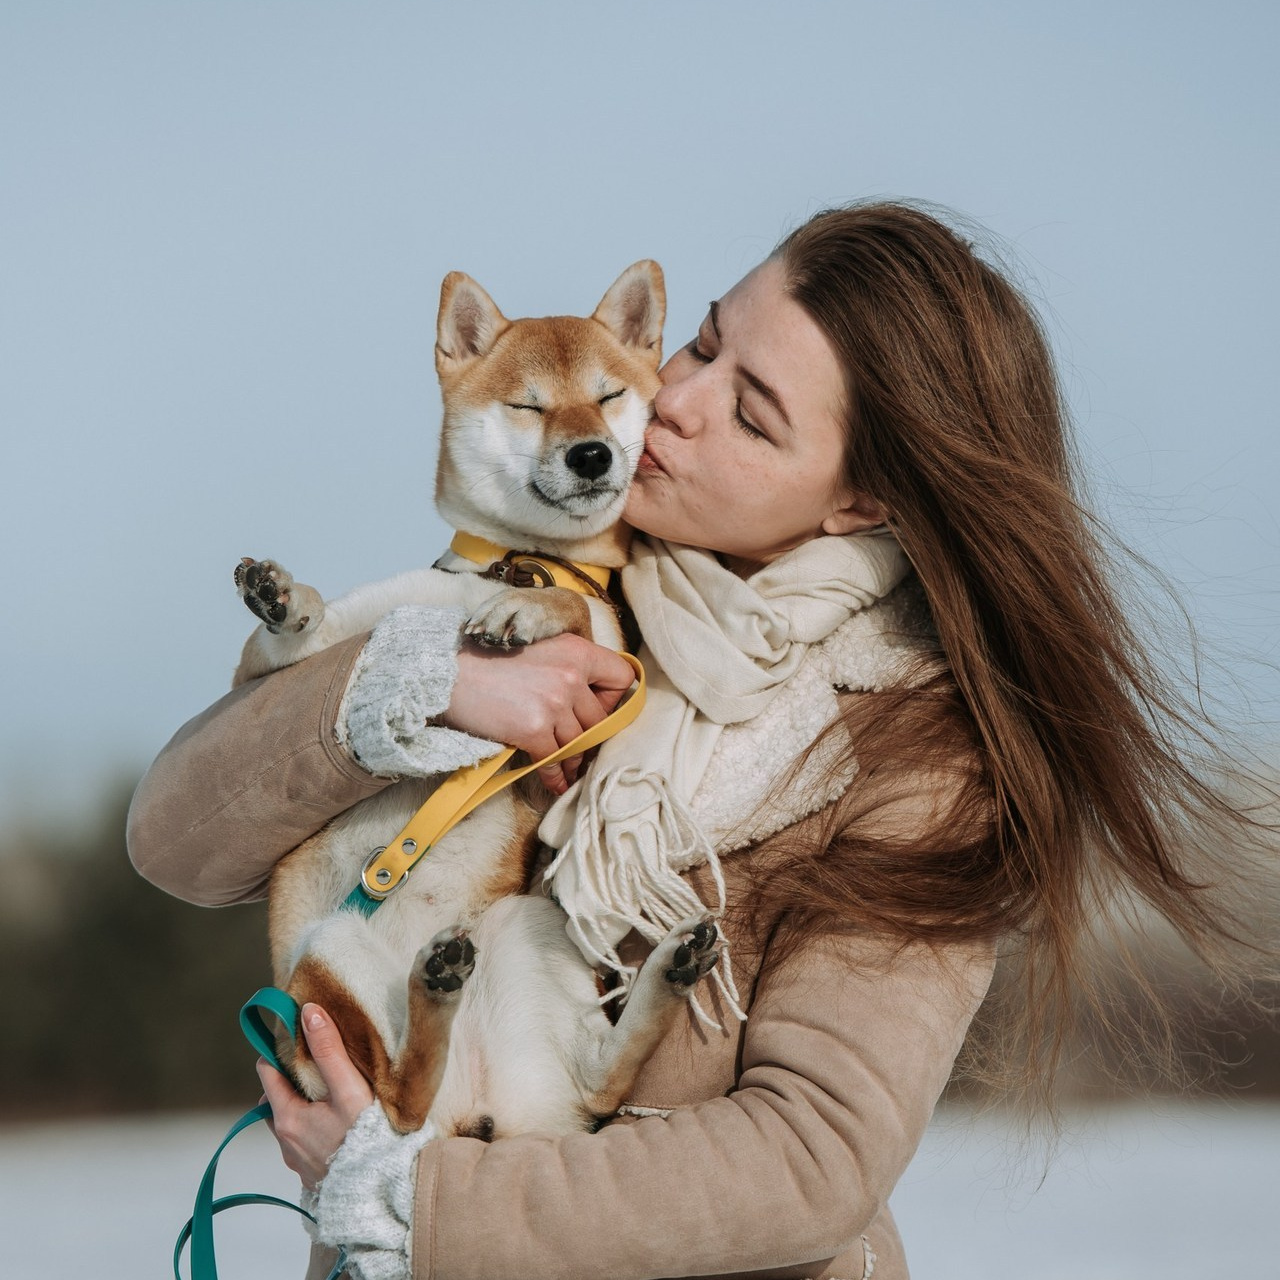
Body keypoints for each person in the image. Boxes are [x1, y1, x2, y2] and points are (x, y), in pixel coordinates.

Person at [128, 201, 1272, 1280]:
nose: (674, 403)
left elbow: (811, 1157)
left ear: (856, 503)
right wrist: (430, 686)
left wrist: (415, 1201)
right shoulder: (536, 586)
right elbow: (175, 840)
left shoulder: (914, 758)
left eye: (752, 411)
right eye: (707, 343)